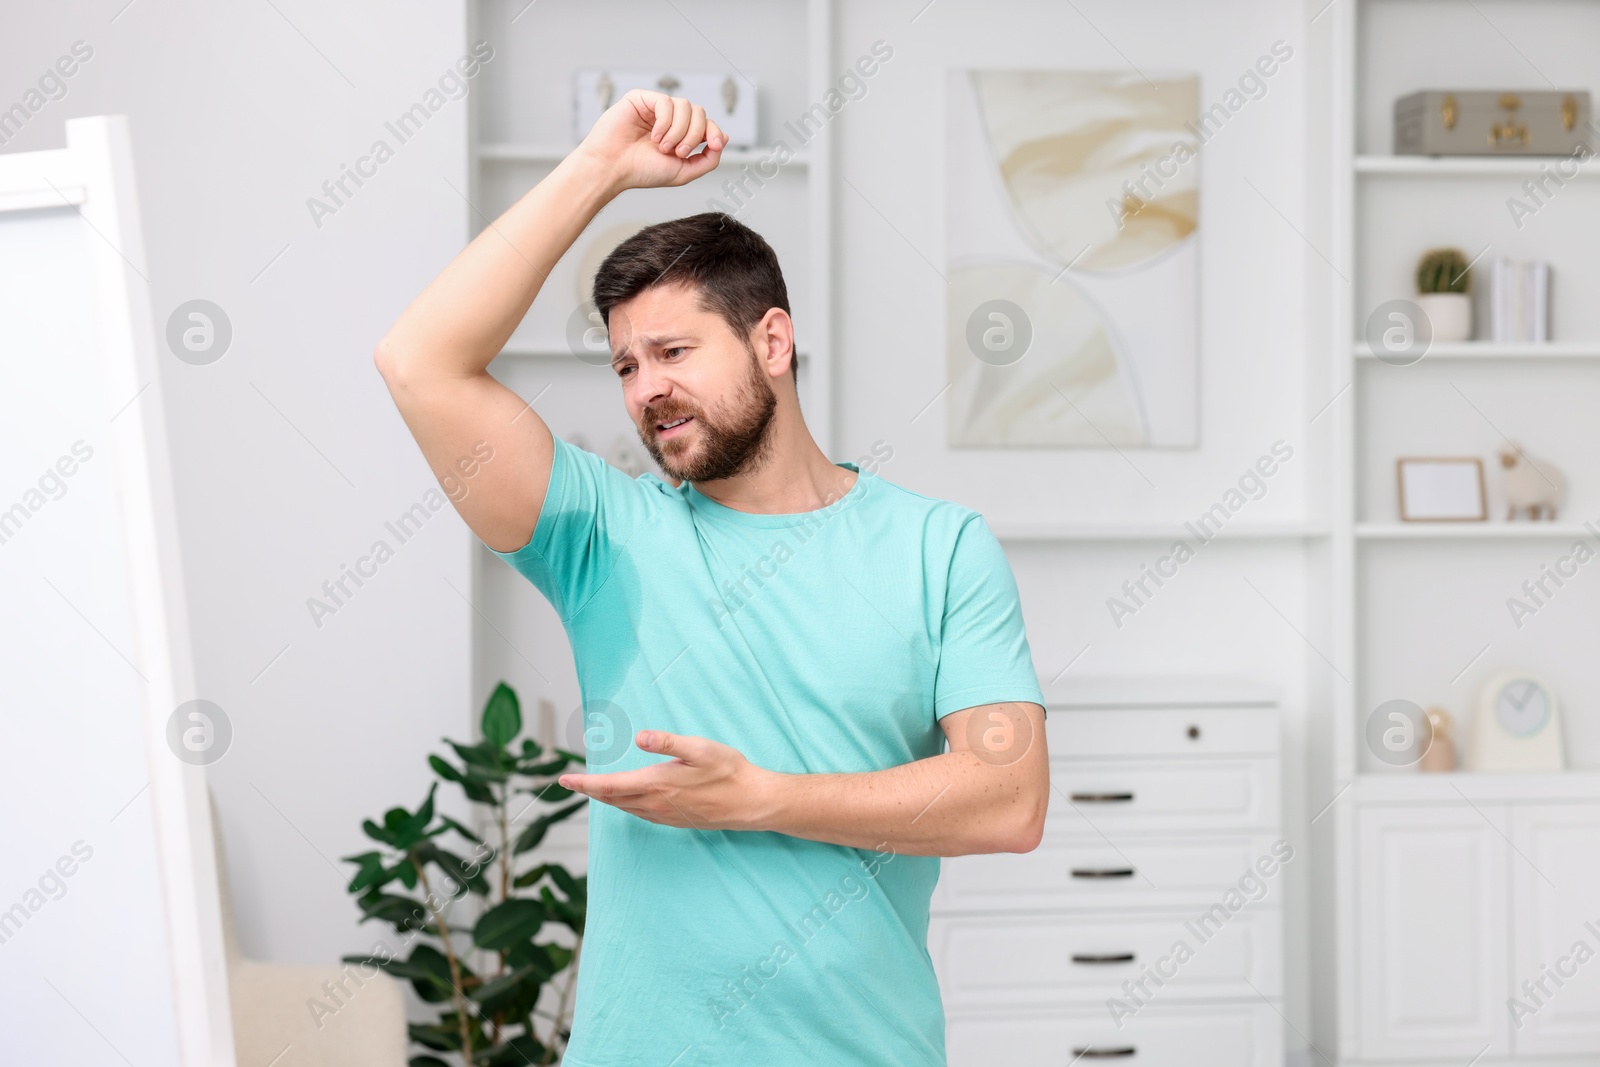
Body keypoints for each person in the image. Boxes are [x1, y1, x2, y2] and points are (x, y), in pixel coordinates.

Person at [374, 88, 1049, 1067]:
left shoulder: (938, 547)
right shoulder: (603, 537)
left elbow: (1007, 796)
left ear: (771, 342)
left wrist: (765, 796)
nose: (646, 388)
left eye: (674, 350)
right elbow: (418, 360)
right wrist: (600, 166)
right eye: (623, 366)